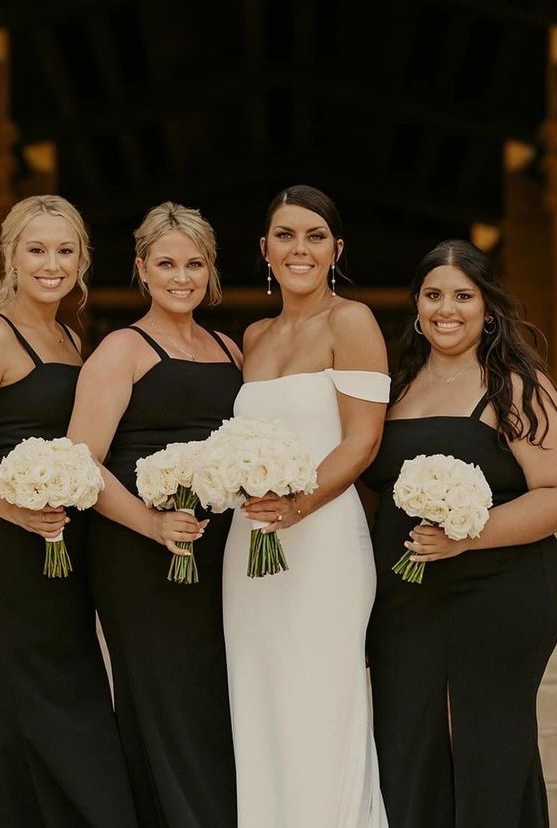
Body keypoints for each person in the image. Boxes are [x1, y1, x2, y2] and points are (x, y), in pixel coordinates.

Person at [0, 196, 136, 827]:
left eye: (65, 251)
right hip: (9, 552)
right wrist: (15, 512)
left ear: (82, 261)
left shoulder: (70, 338)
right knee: (53, 720)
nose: (51, 263)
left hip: (62, 553)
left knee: (47, 721)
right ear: (11, 257)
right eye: (36, 249)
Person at [362, 239, 557, 827]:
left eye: (463, 296)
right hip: (405, 597)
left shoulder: (516, 386)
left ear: (488, 308)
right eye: (433, 295)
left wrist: (467, 537)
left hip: (501, 591)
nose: (447, 309)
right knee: (404, 742)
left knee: (491, 749)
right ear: (416, 305)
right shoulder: (393, 387)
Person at [67, 202, 241, 828]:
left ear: (211, 269)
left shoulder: (230, 348)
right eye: (166, 262)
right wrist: (153, 524)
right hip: (141, 553)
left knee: (215, 699)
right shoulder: (122, 348)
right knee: (166, 699)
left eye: (195, 263)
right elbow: (81, 462)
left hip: (221, 552)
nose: (181, 276)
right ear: (141, 267)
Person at [223, 185, 389, 827]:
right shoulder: (255, 335)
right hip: (250, 548)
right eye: (286, 235)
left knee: (321, 699)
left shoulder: (351, 322)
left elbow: (363, 439)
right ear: (264, 249)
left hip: (322, 543)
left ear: (336, 250)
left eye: (315, 236)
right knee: (259, 702)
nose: (300, 248)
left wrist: (299, 504)